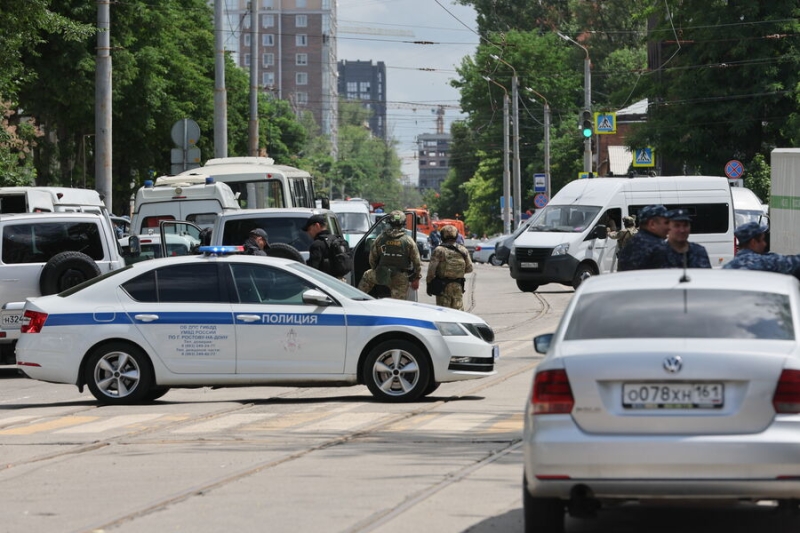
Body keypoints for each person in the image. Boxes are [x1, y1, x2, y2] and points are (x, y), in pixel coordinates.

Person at [357, 210, 421, 299]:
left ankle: (357, 299)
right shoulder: (408, 241)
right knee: (399, 305)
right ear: (403, 223)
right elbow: (417, 262)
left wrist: (376, 269)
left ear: (389, 222)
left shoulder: (381, 238)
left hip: (382, 274)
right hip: (400, 278)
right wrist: (416, 278)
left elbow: (372, 257)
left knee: (367, 276)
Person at [723, 221, 800, 275]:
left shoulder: (727, 268)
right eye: (762, 240)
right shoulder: (764, 263)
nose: (765, 244)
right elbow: (794, 263)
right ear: (753, 242)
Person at [426, 224, 473, 310]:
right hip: (458, 286)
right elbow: (470, 268)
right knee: (458, 313)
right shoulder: (463, 250)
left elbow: (431, 271)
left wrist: (429, 284)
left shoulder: (439, 250)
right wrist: (457, 272)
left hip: (443, 287)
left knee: (444, 313)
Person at [617, 204, 669, 271]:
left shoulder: (633, 243)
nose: (669, 227)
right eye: (666, 223)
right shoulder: (657, 247)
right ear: (652, 224)